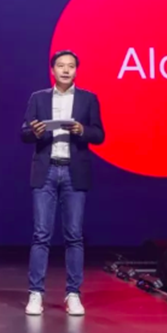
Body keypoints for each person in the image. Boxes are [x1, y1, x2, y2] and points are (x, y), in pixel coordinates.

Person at [20, 50, 105, 316]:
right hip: (45, 171)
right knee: (41, 234)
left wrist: (82, 131)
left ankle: (73, 294)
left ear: (76, 70)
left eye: (70, 66)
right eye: (61, 66)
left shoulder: (88, 98)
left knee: (74, 236)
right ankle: (36, 293)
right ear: (52, 70)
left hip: (73, 171)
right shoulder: (38, 97)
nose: (66, 70)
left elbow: (99, 134)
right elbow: (24, 133)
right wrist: (35, 132)